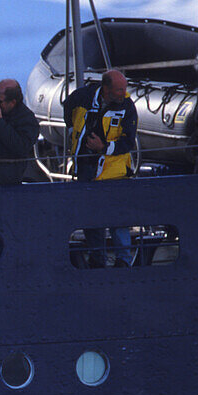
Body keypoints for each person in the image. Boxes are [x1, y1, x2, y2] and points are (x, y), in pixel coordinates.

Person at [63, 69, 138, 268]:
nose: (123, 93)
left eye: (124, 88)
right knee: (91, 219)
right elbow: (68, 108)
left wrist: (103, 148)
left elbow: (128, 142)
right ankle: (98, 260)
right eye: (119, 89)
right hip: (87, 169)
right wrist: (73, 132)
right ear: (106, 89)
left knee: (118, 219)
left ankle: (123, 260)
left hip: (115, 172)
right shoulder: (82, 97)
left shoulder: (127, 107)